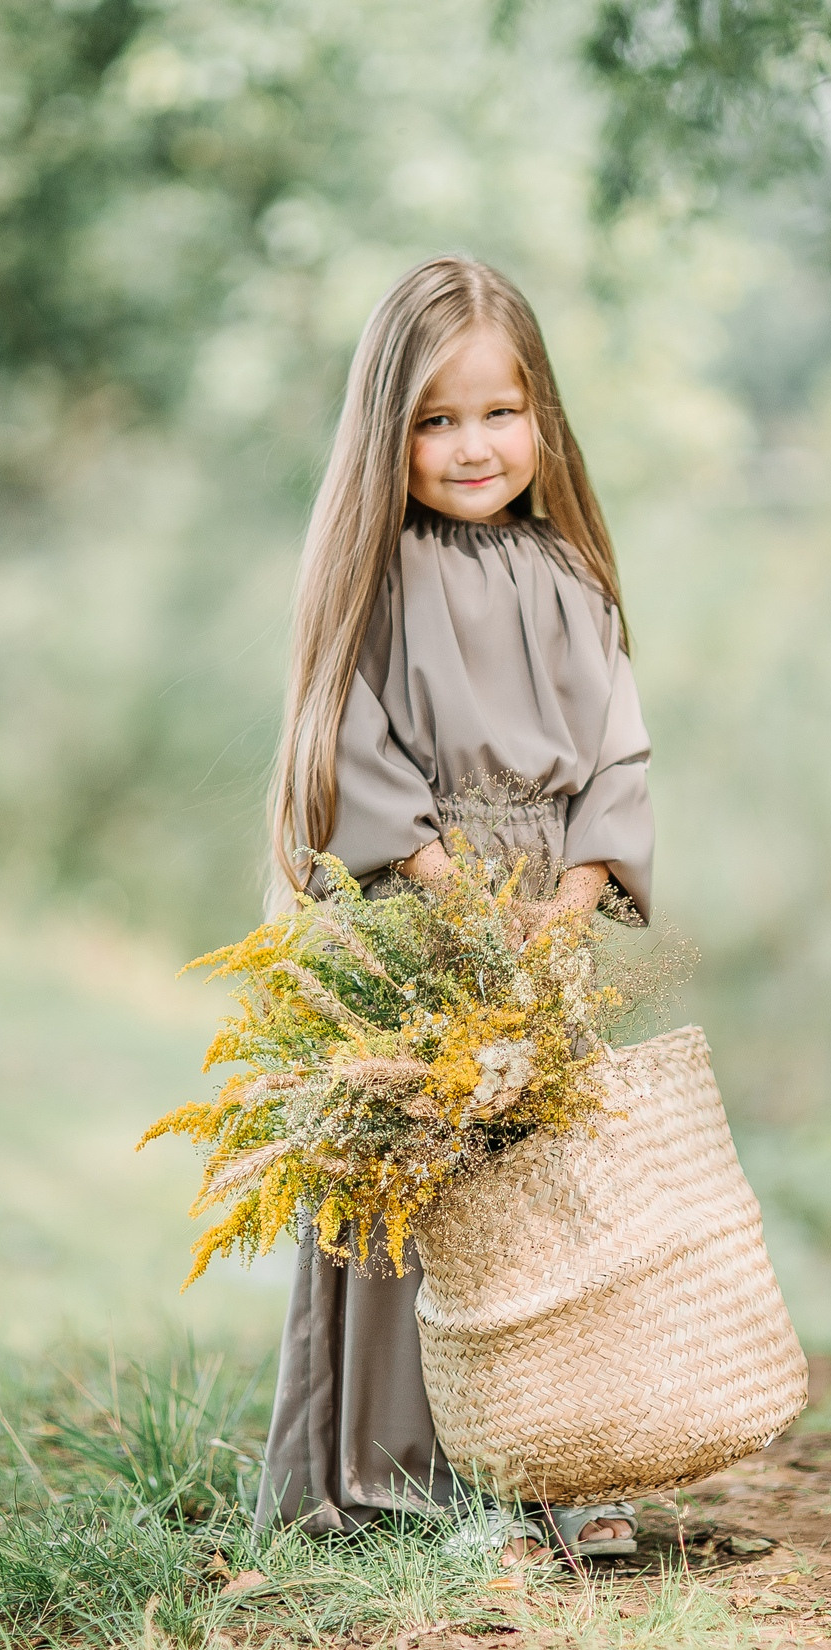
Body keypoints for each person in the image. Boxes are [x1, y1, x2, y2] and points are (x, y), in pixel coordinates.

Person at [253, 256, 653, 1564]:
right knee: (415, 1186)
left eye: (500, 412)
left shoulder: (573, 576)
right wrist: (446, 889)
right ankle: (401, 1474)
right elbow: (346, 748)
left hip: (545, 918)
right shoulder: (378, 580)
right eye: (438, 420)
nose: (475, 446)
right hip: (419, 909)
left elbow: (617, 755)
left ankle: (558, 1462)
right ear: (391, 433)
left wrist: (577, 894)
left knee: (543, 1191)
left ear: (542, 416)